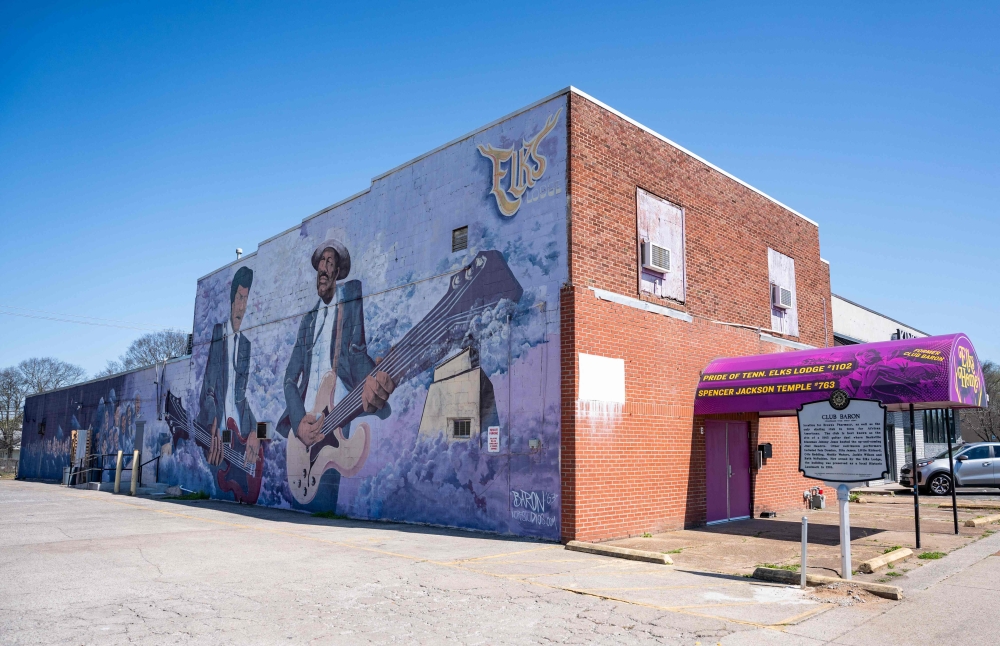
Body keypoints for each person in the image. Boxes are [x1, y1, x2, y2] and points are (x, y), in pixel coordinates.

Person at [277, 236, 394, 507]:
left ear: (338, 272)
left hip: (336, 421)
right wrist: (298, 423)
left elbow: (357, 353)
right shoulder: (308, 321)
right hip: (305, 426)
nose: (323, 268)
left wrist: (376, 377)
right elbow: (289, 379)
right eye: (321, 262)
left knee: (326, 501)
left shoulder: (349, 306)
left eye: (330, 262)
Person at [197, 266, 259, 468]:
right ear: (232, 300)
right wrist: (212, 420)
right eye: (239, 298)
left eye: (246, 299)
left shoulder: (246, 345)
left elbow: (240, 395)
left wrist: (255, 431)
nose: (242, 306)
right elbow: (208, 389)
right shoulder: (219, 333)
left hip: (238, 437)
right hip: (219, 433)